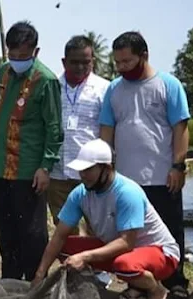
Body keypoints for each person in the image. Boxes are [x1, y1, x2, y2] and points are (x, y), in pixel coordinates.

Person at [32, 139, 179, 299]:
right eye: (81, 170)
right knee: (64, 248)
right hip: (122, 251)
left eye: (88, 170)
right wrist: (39, 275)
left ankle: (157, 290)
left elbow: (127, 242)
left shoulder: (127, 192)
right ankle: (129, 286)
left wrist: (85, 256)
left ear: (106, 168)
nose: (82, 175)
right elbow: (59, 237)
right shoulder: (80, 193)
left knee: (125, 265)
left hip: (161, 254)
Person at [99, 31, 191, 299]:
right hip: (128, 181)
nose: (122, 67)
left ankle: (175, 282)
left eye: (127, 61)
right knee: (134, 235)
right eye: (118, 62)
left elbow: (180, 128)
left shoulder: (168, 85)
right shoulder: (114, 89)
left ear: (144, 55)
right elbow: (107, 129)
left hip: (163, 176)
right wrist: (105, 168)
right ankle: (138, 283)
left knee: (169, 232)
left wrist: (178, 165)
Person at [0, 21, 63, 281]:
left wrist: (45, 167)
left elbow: (54, 129)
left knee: (31, 233)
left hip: (29, 170)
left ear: (36, 52)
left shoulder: (46, 80)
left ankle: (35, 282)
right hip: (0, 167)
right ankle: (9, 281)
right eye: (13, 55)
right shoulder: (2, 74)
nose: (17, 60)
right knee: (6, 231)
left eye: (23, 56)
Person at [49, 35, 110, 234]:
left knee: (97, 228)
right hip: (58, 173)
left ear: (93, 61)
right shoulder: (52, 87)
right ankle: (71, 265)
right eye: (75, 62)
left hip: (93, 173)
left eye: (86, 62)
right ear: (64, 62)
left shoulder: (104, 89)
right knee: (64, 230)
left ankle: (97, 265)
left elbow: (108, 130)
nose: (81, 67)